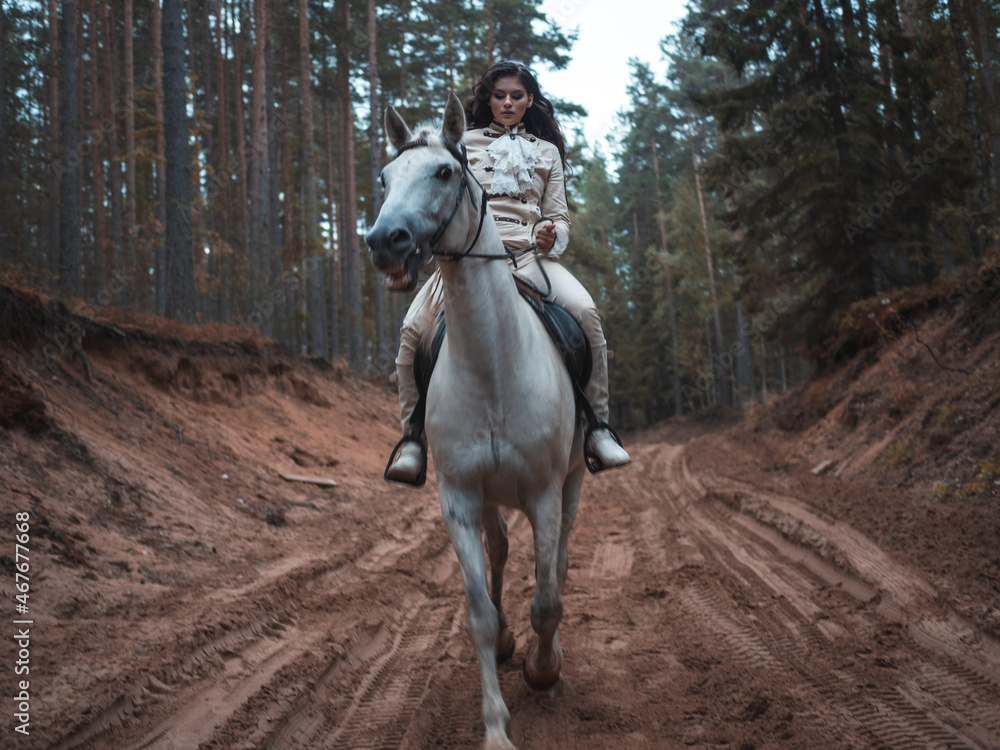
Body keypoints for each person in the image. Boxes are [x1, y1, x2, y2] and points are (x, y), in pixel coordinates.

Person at [386, 61, 630, 483]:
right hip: (467, 260)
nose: (507, 103)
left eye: (516, 96)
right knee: (411, 331)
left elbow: (560, 216)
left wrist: (555, 236)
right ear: (488, 99)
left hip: (530, 257)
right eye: (499, 95)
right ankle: (412, 438)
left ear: (529, 100)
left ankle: (597, 428)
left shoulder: (547, 152)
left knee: (588, 315)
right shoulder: (461, 142)